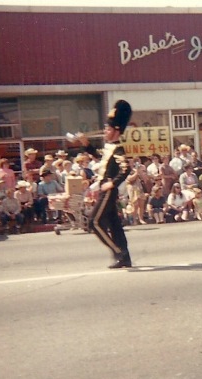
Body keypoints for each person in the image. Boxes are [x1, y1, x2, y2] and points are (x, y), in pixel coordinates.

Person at [76, 99, 133, 268]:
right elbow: (101, 157)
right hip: (104, 188)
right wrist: (86, 144)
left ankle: (118, 252)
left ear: (116, 131)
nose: (105, 131)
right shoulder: (109, 147)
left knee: (94, 222)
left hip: (108, 189)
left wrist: (112, 184)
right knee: (115, 225)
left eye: (108, 128)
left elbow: (125, 169)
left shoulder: (118, 149)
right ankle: (126, 258)